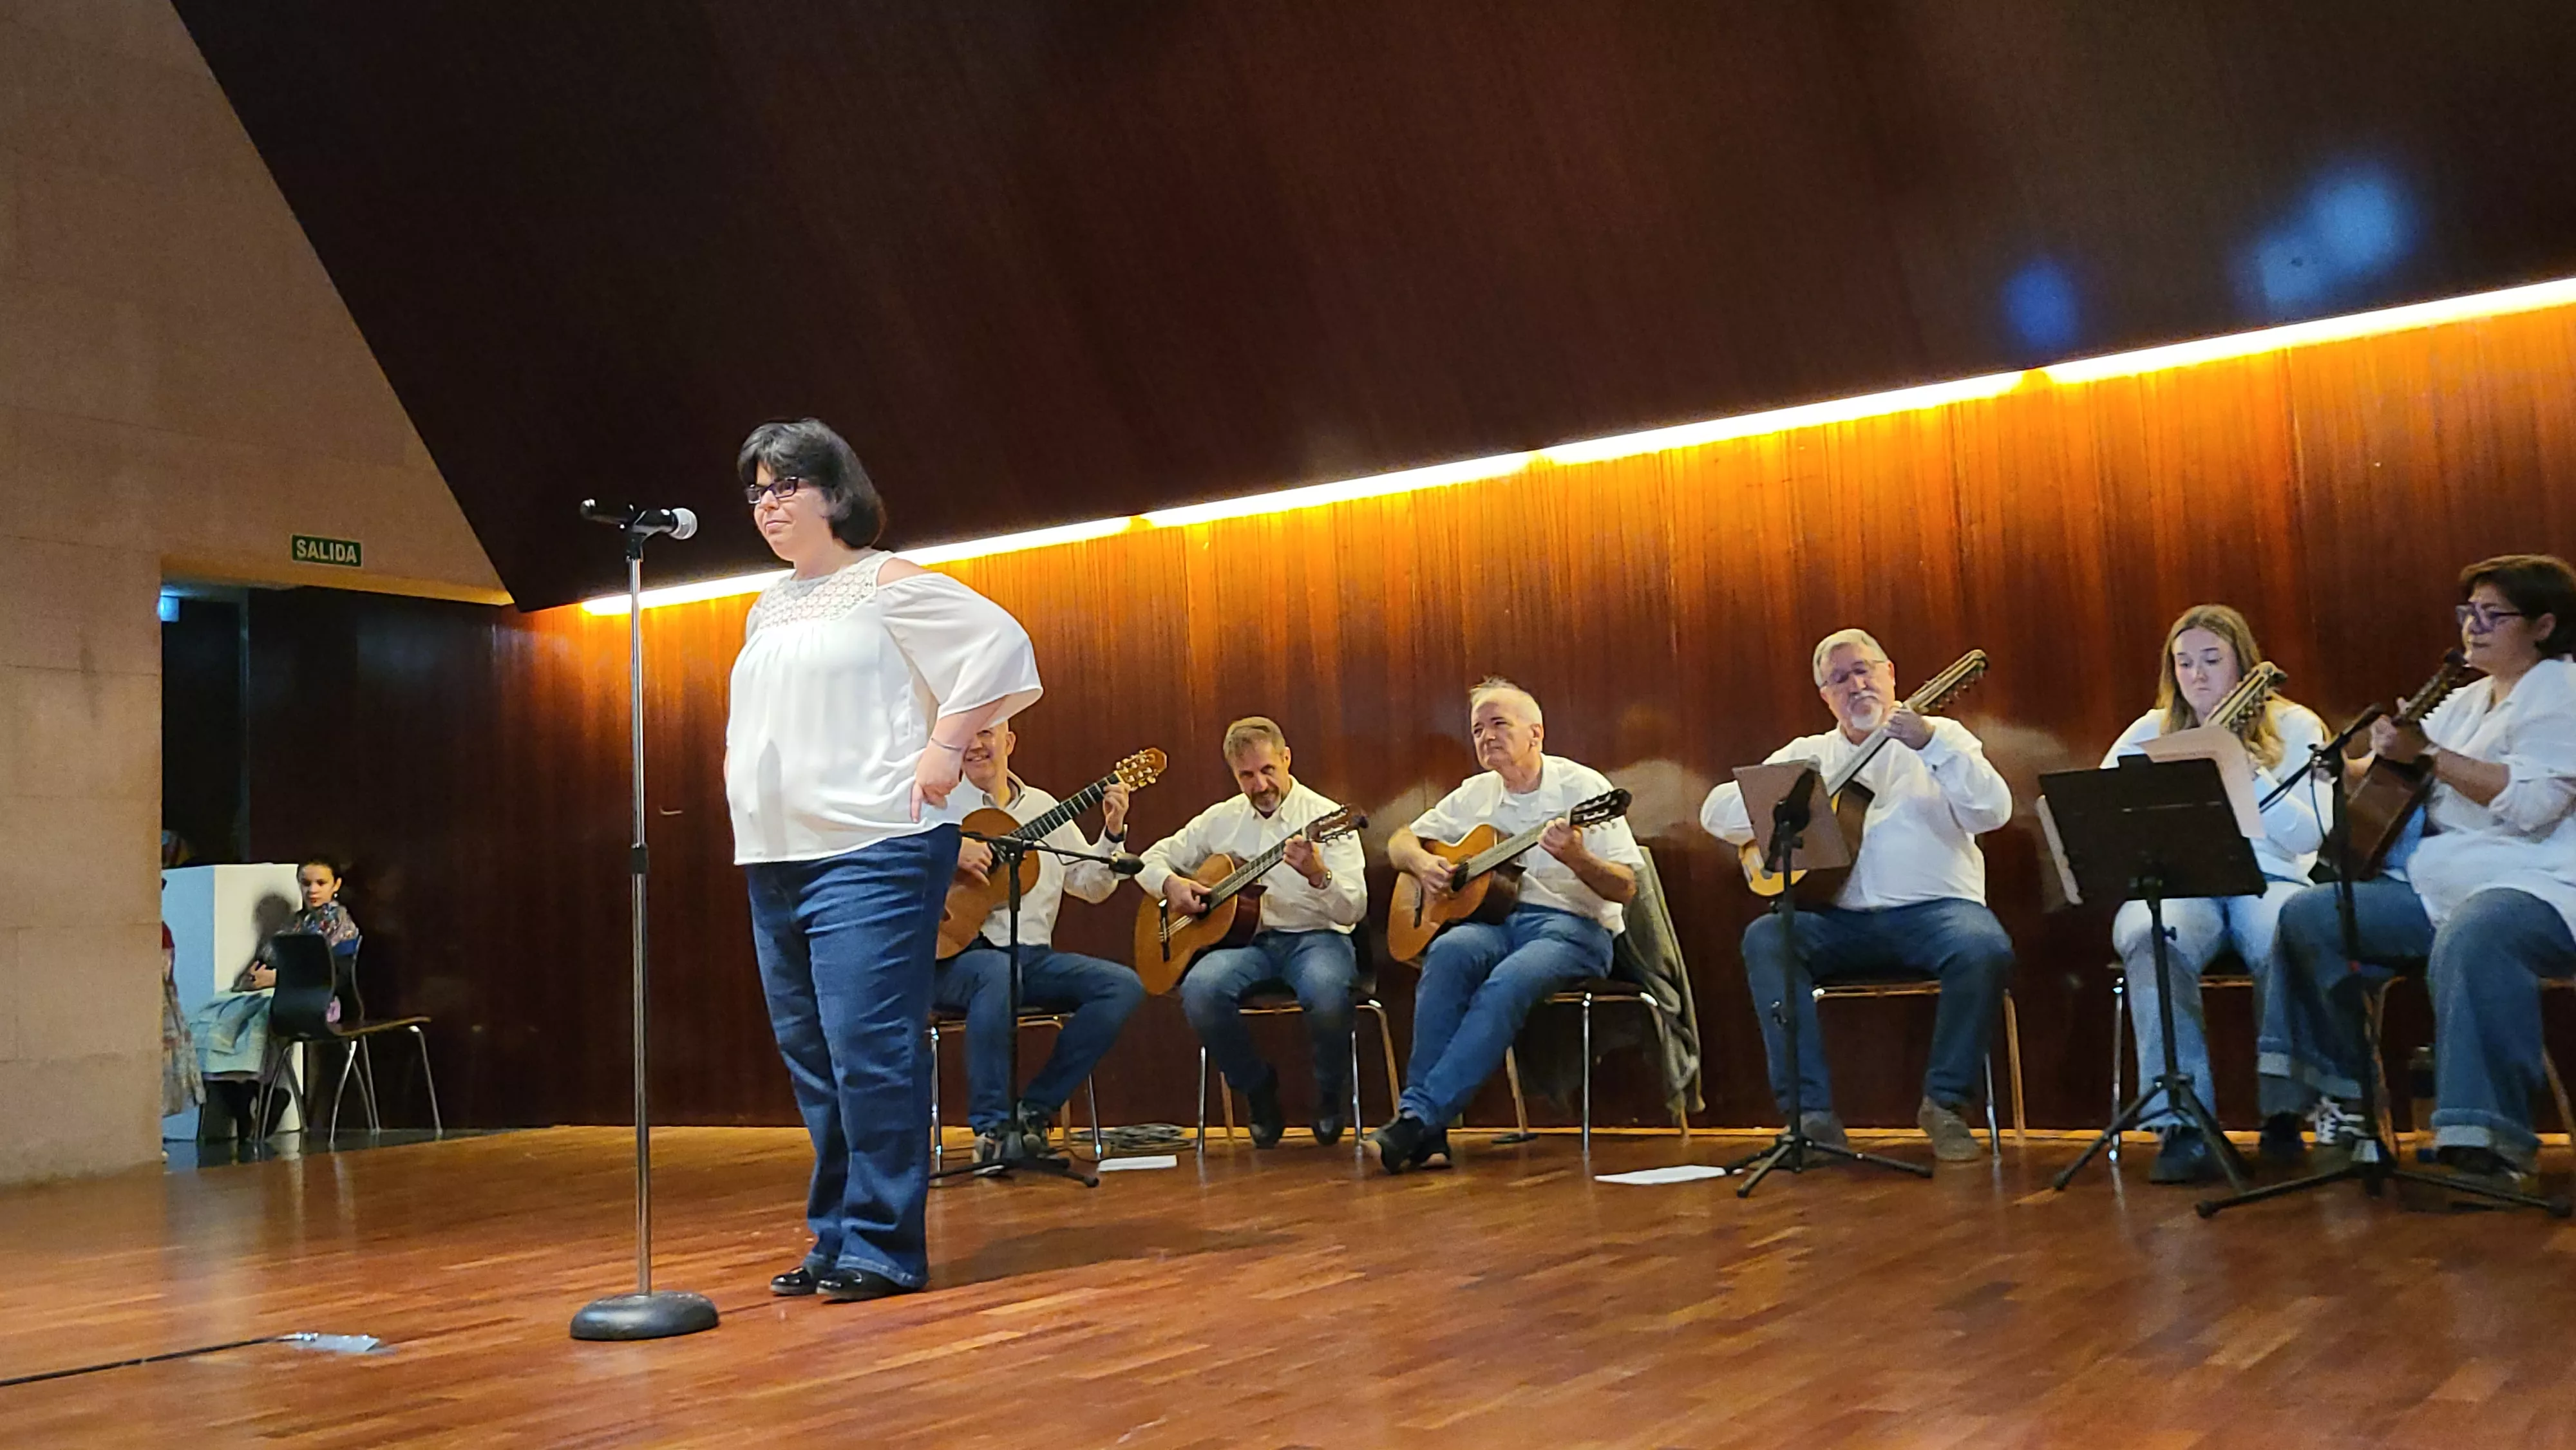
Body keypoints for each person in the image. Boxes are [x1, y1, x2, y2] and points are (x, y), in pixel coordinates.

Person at [728, 418, 1041, 1304]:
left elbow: (999, 644)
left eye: (786, 484)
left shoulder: (885, 582)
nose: (769, 503)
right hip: (779, 853)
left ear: (835, 491)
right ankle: (836, 1235)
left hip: (874, 845)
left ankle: (883, 1242)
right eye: (756, 490)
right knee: (814, 1055)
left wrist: (947, 744)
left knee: (870, 1046)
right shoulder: (767, 603)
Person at [2268, 554, 2576, 1193]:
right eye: (2468, 611)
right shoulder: (2462, 699)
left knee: (2478, 930)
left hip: (2540, 885)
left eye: (2495, 614)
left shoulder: (2564, 694)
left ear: (2544, 625)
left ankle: (2486, 1146)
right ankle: (2345, 1109)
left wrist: (2429, 754)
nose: (2475, 625)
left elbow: (2534, 804)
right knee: (2310, 915)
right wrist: (2348, 761)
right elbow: (2393, 772)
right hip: (2439, 887)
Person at [1700, 629, 2015, 1163]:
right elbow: (1715, 812)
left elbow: (1994, 811)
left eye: (1865, 670)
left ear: (1891, 673)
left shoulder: (1944, 736)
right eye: (1839, 679)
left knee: (1984, 947)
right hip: (1839, 922)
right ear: (1826, 696)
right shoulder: (1809, 753)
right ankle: (1812, 1119)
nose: (1856, 684)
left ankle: (1944, 1105)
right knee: (1767, 938)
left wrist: (1929, 744)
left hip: (1938, 914)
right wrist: (1798, 795)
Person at [1370, 679, 1643, 1173]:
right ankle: (1426, 1133)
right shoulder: (1476, 794)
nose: (1486, 737)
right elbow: (1400, 840)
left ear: (1536, 734)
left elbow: (1625, 888)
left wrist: (1578, 857)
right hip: (1500, 924)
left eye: (1499, 724)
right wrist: (1421, 864)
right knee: (1447, 956)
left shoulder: (1583, 789)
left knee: (1507, 983)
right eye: (1477, 729)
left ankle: (1419, 1118)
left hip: (1573, 931)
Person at [2099, 605, 2325, 1182]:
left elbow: (2310, 835)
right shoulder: (2150, 730)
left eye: (2211, 660)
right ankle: (2182, 1123)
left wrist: (2244, 767)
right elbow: (2106, 819)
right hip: (2181, 884)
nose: (2197, 676)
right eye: (2184, 663)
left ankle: (2285, 1113)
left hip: (2269, 879)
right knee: (2152, 937)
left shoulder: (2295, 726)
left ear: (2242, 664)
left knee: (2289, 931)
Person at [1137, 717, 1368, 1146]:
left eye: (1268, 770)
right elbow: (1152, 858)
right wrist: (1172, 885)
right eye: (1247, 775)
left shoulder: (1324, 818)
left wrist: (1319, 875)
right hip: (1249, 944)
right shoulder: (1221, 819)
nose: (1260, 784)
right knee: (1201, 990)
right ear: (1234, 774)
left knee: (1326, 993)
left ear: (1286, 759)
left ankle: (1331, 1095)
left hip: (1318, 938)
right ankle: (1258, 1089)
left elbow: (1355, 907)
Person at [937, 719, 1144, 1162]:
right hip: (956, 957)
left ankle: (1035, 1110)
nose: (976, 745)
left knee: (1120, 985)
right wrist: (948, 856)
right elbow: (897, 872)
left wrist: (1112, 831)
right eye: (967, 736)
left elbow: (1090, 885)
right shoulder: (939, 808)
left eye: (987, 734)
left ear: (1009, 742)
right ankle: (992, 1131)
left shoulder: (1045, 808)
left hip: (1031, 958)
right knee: (996, 971)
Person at [187, 858, 359, 1138]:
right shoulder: (295, 922)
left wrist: (280, 979)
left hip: (318, 1000)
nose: (312, 890)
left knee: (260, 1018)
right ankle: (241, 1095)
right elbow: (267, 957)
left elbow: (333, 975)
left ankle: (264, 1092)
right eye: (306, 883)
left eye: (321, 883)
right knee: (214, 1014)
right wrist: (251, 979)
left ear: (336, 885)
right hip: (277, 992)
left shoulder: (339, 923)